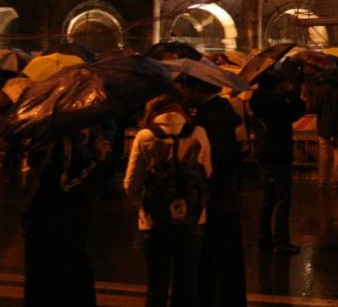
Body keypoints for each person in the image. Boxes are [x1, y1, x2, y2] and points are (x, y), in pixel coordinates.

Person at [124, 95, 211, 307]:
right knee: (187, 282)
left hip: (153, 221)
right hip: (193, 218)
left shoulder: (145, 135)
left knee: (157, 284)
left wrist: (143, 205)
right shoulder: (198, 133)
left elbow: (131, 183)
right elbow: (206, 172)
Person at [21, 126, 111, 306]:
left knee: (48, 285)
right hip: (57, 228)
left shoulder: (74, 142)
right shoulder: (61, 144)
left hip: (56, 225)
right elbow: (67, 186)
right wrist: (98, 161)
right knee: (65, 286)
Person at [179, 74, 248, 306]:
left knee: (212, 256)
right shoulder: (224, 111)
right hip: (227, 194)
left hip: (213, 196)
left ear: (198, 88)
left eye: (186, 88)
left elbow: (207, 164)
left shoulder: (207, 119)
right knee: (227, 257)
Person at [249, 69, 306, 254]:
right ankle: (281, 242)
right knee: (282, 200)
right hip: (279, 153)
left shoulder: (256, 101)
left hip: (263, 152)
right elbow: (298, 110)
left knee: (267, 199)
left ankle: (263, 239)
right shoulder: (277, 102)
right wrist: (290, 92)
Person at [308, 69, 338, 188]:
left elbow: (313, 108)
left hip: (324, 125)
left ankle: (322, 180)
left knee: (323, 153)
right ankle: (337, 180)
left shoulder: (320, 90)